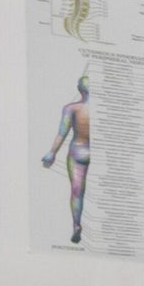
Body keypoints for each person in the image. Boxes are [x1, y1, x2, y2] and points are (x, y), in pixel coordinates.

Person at [38, 76, 90, 244]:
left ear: (79, 89)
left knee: (77, 191)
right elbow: (62, 132)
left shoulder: (72, 108)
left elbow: (63, 132)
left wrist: (52, 152)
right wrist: (52, 152)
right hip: (84, 151)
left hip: (79, 151)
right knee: (77, 190)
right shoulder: (101, 110)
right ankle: (76, 225)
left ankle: (76, 224)